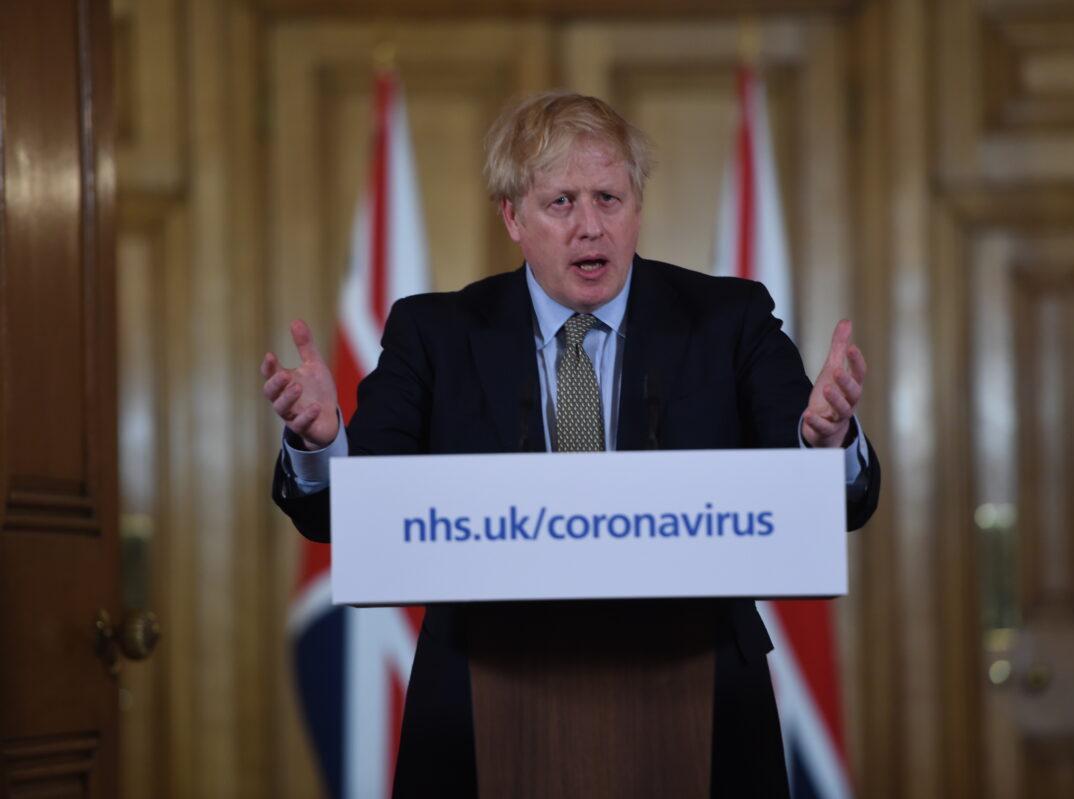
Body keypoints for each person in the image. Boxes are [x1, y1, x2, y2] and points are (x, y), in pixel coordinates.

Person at [263, 91, 880, 798]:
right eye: (561, 203)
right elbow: (352, 506)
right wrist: (322, 443)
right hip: (481, 690)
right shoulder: (434, 335)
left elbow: (829, 492)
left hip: (698, 691)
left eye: (610, 198)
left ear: (637, 206)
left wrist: (825, 444)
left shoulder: (727, 320)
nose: (591, 227)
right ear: (513, 217)